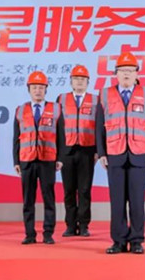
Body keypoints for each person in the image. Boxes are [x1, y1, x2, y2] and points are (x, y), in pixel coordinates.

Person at [96, 51, 145, 254]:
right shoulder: (105, 94)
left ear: (137, 73)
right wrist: (101, 152)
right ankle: (119, 241)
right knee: (117, 201)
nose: (126, 74)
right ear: (116, 73)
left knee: (137, 201)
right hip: (114, 153)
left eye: (130, 70)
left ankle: (137, 240)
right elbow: (99, 126)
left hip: (139, 153)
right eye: (122, 70)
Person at [13, 71, 62, 245]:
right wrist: (16, 161)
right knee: (28, 200)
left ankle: (48, 233)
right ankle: (29, 234)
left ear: (46, 89)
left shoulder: (56, 109)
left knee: (49, 198)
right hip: (27, 160)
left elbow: (61, 136)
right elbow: (16, 138)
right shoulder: (20, 110)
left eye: (41, 87)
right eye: (34, 87)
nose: (38, 91)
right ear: (29, 89)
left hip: (48, 160)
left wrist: (60, 158)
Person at [56, 65, 96, 238]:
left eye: (83, 79)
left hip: (87, 150)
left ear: (88, 82)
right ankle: (70, 225)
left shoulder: (95, 100)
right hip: (67, 150)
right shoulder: (61, 99)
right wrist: (58, 152)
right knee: (69, 190)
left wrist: (97, 151)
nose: (79, 82)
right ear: (71, 82)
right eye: (76, 79)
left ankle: (84, 224)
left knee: (85, 190)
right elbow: (57, 127)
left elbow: (99, 126)